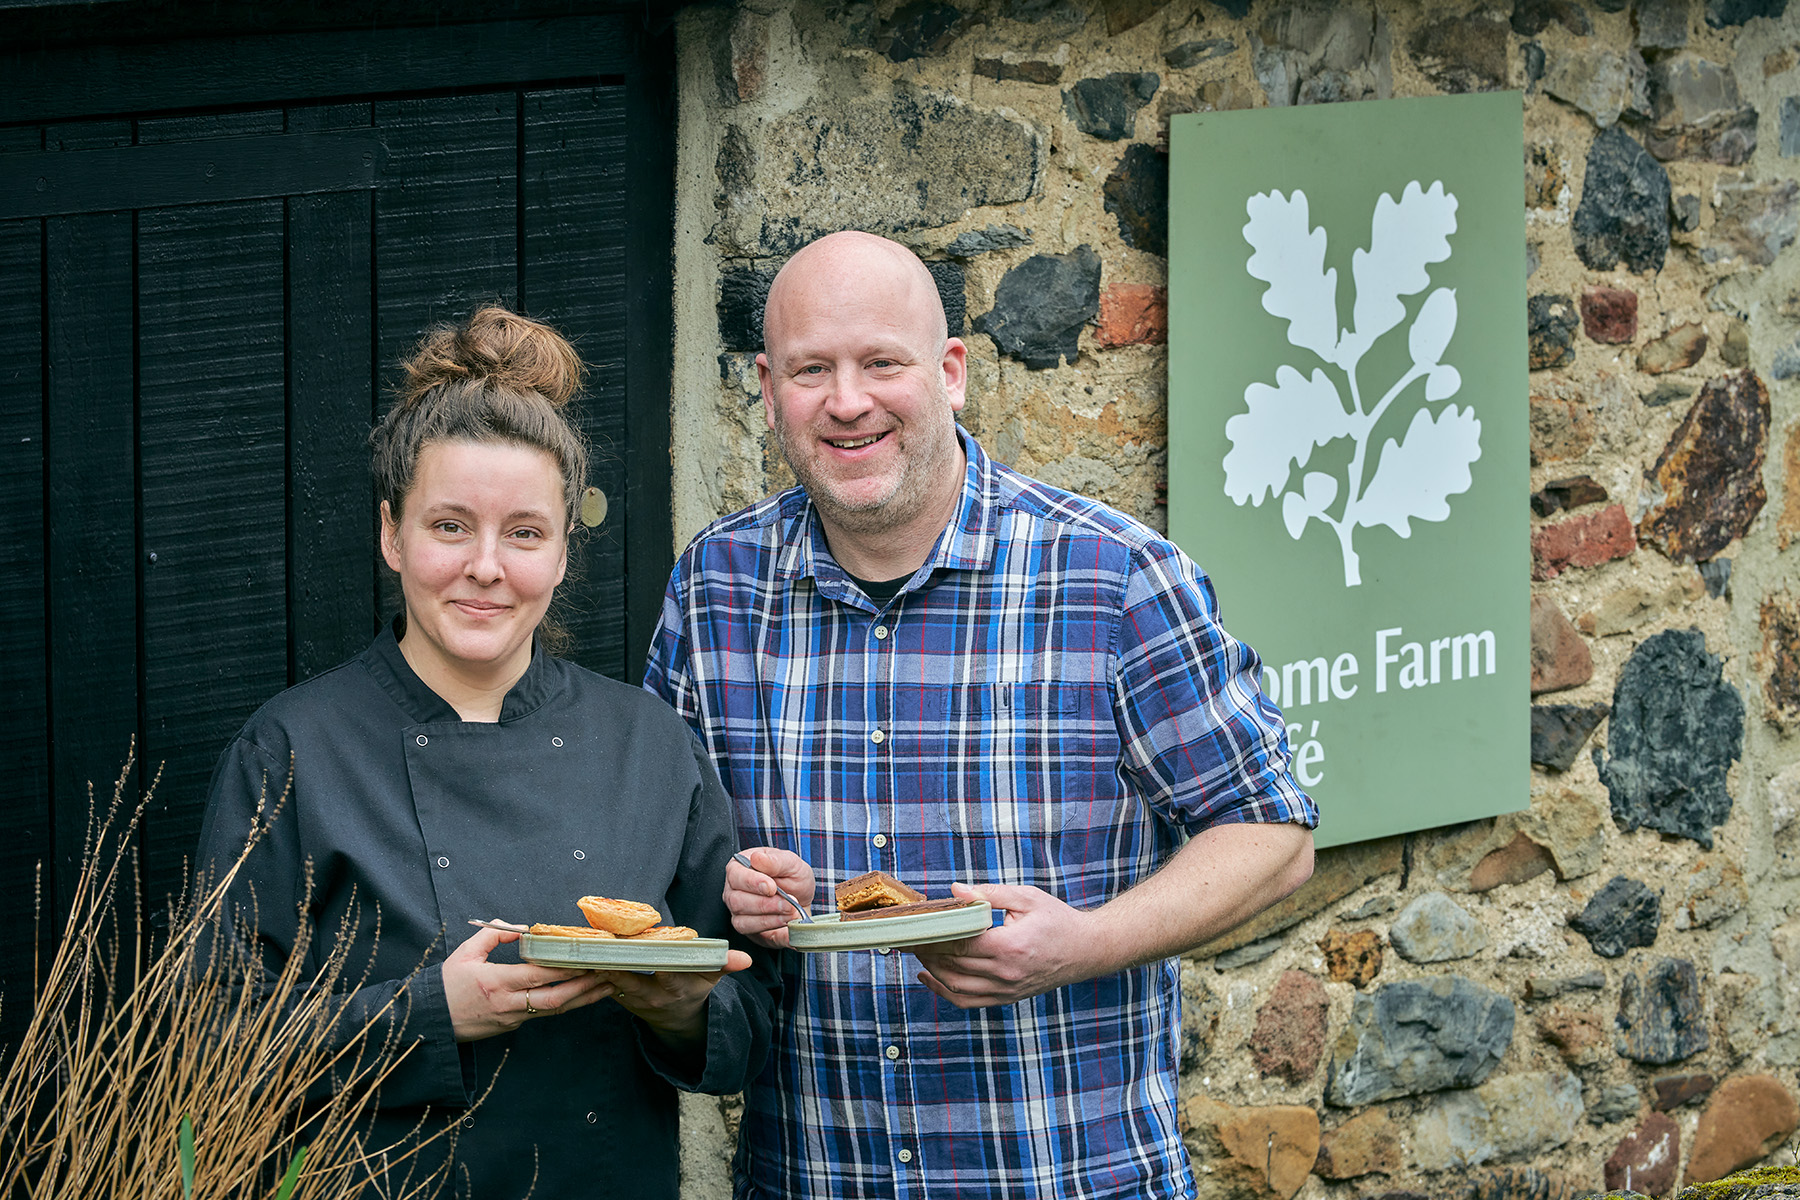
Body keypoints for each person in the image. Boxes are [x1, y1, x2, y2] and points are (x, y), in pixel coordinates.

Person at [643, 231, 1319, 1200]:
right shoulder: (714, 589)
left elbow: (1273, 835)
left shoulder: (1114, 579)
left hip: (1067, 1174)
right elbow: (666, 873)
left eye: (882, 362)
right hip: (814, 1178)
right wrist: (732, 892)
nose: (847, 401)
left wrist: (1081, 944)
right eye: (811, 370)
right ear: (766, 388)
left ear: (950, 372)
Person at [196, 306, 777, 1199]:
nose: (487, 568)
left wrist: (682, 1008)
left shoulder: (649, 743)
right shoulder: (292, 750)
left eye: (525, 533)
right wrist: (430, 1013)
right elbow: (210, 1050)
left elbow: (745, 1033)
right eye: (450, 526)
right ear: (392, 534)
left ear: (561, 553)